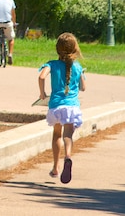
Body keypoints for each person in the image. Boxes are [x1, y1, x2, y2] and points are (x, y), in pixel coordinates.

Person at [37, 32, 86, 184]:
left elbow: (41, 76)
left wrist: (42, 93)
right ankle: (68, 156)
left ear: (57, 49)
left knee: (56, 134)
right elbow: (83, 87)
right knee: (68, 135)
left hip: (56, 106)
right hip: (71, 107)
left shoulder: (51, 64)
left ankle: (55, 167)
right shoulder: (77, 67)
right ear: (75, 49)